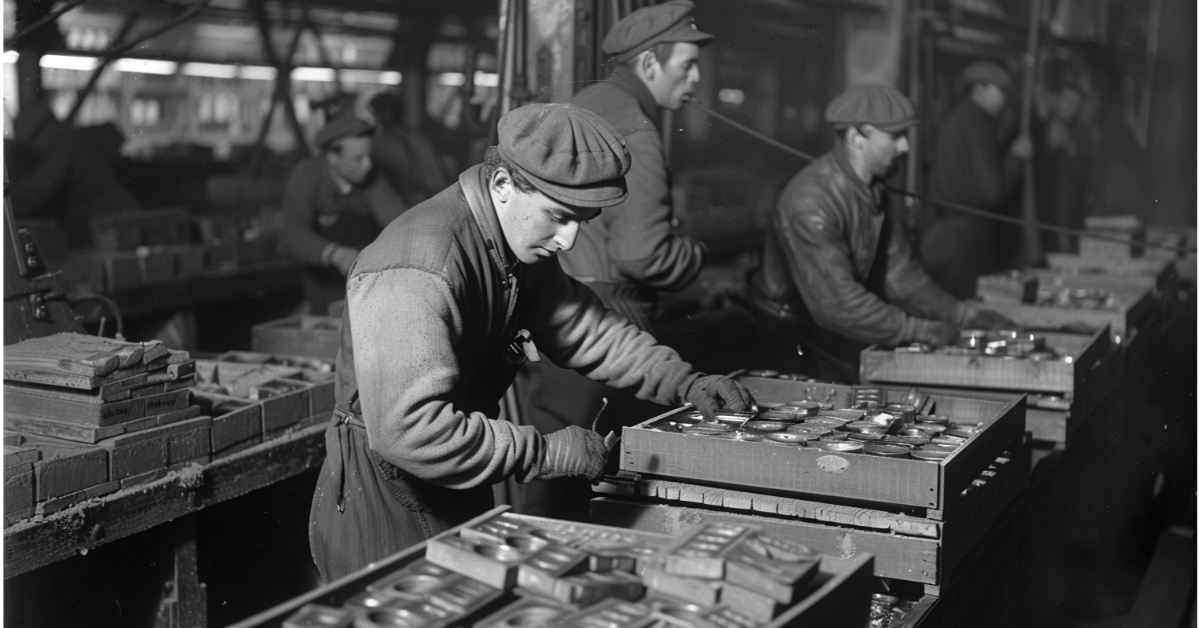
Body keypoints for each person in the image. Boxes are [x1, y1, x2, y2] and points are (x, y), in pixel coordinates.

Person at [308, 103, 755, 582]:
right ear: (502, 184)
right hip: (386, 491)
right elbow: (409, 432)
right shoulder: (418, 267)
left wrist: (685, 383)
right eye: (558, 217)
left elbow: (586, 329)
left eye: (582, 221)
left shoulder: (511, 242)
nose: (568, 240)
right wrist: (545, 453)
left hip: (457, 473)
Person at [516, 0, 752, 521]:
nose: (695, 79)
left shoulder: (586, 104)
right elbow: (643, 255)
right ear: (649, 63)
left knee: (558, 474)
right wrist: (696, 253)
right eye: (687, 64)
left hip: (553, 305)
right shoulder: (638, 131)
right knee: (611, 487)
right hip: (607, 310)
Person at [746, 85, 1011, 383]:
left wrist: (963, 315)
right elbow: (839, 305)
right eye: (895, 136)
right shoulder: (811, 201)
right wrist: (919, 330)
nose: (905, 147)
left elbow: (899, 276)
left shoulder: (874, 193)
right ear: (857, 138)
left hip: (831, 333)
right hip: (786, 340)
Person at [922, 61, 1034, 298]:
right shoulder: (978, 124)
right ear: (979, 89)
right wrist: (1015, 157)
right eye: (999, 91)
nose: (1003, 99)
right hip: (965, 241)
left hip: (942, 234)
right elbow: (991, 192)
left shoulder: (958, 118)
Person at [280, 116, 407, 315]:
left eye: (369, 156)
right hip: (324, 285)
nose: (368, 165)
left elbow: (398, 221)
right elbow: (293, 233)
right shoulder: (307, 176)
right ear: (333, 157)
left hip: (367, 280)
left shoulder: (372, 178)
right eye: (358, 158)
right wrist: (336, 254)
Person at [7, 100, 141, 247]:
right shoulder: (79, 139)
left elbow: (33, 197)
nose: (34, 149)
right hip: (123, 217)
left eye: (32, 141)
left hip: (110, 226)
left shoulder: (64, 149)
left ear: (44, 130)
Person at [368, 92, 453, 208]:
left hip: (409, 207)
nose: (373, 117)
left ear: (384, 114)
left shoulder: (381, 144)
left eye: (374, 112)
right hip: (433, 203)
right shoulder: (420, 139)